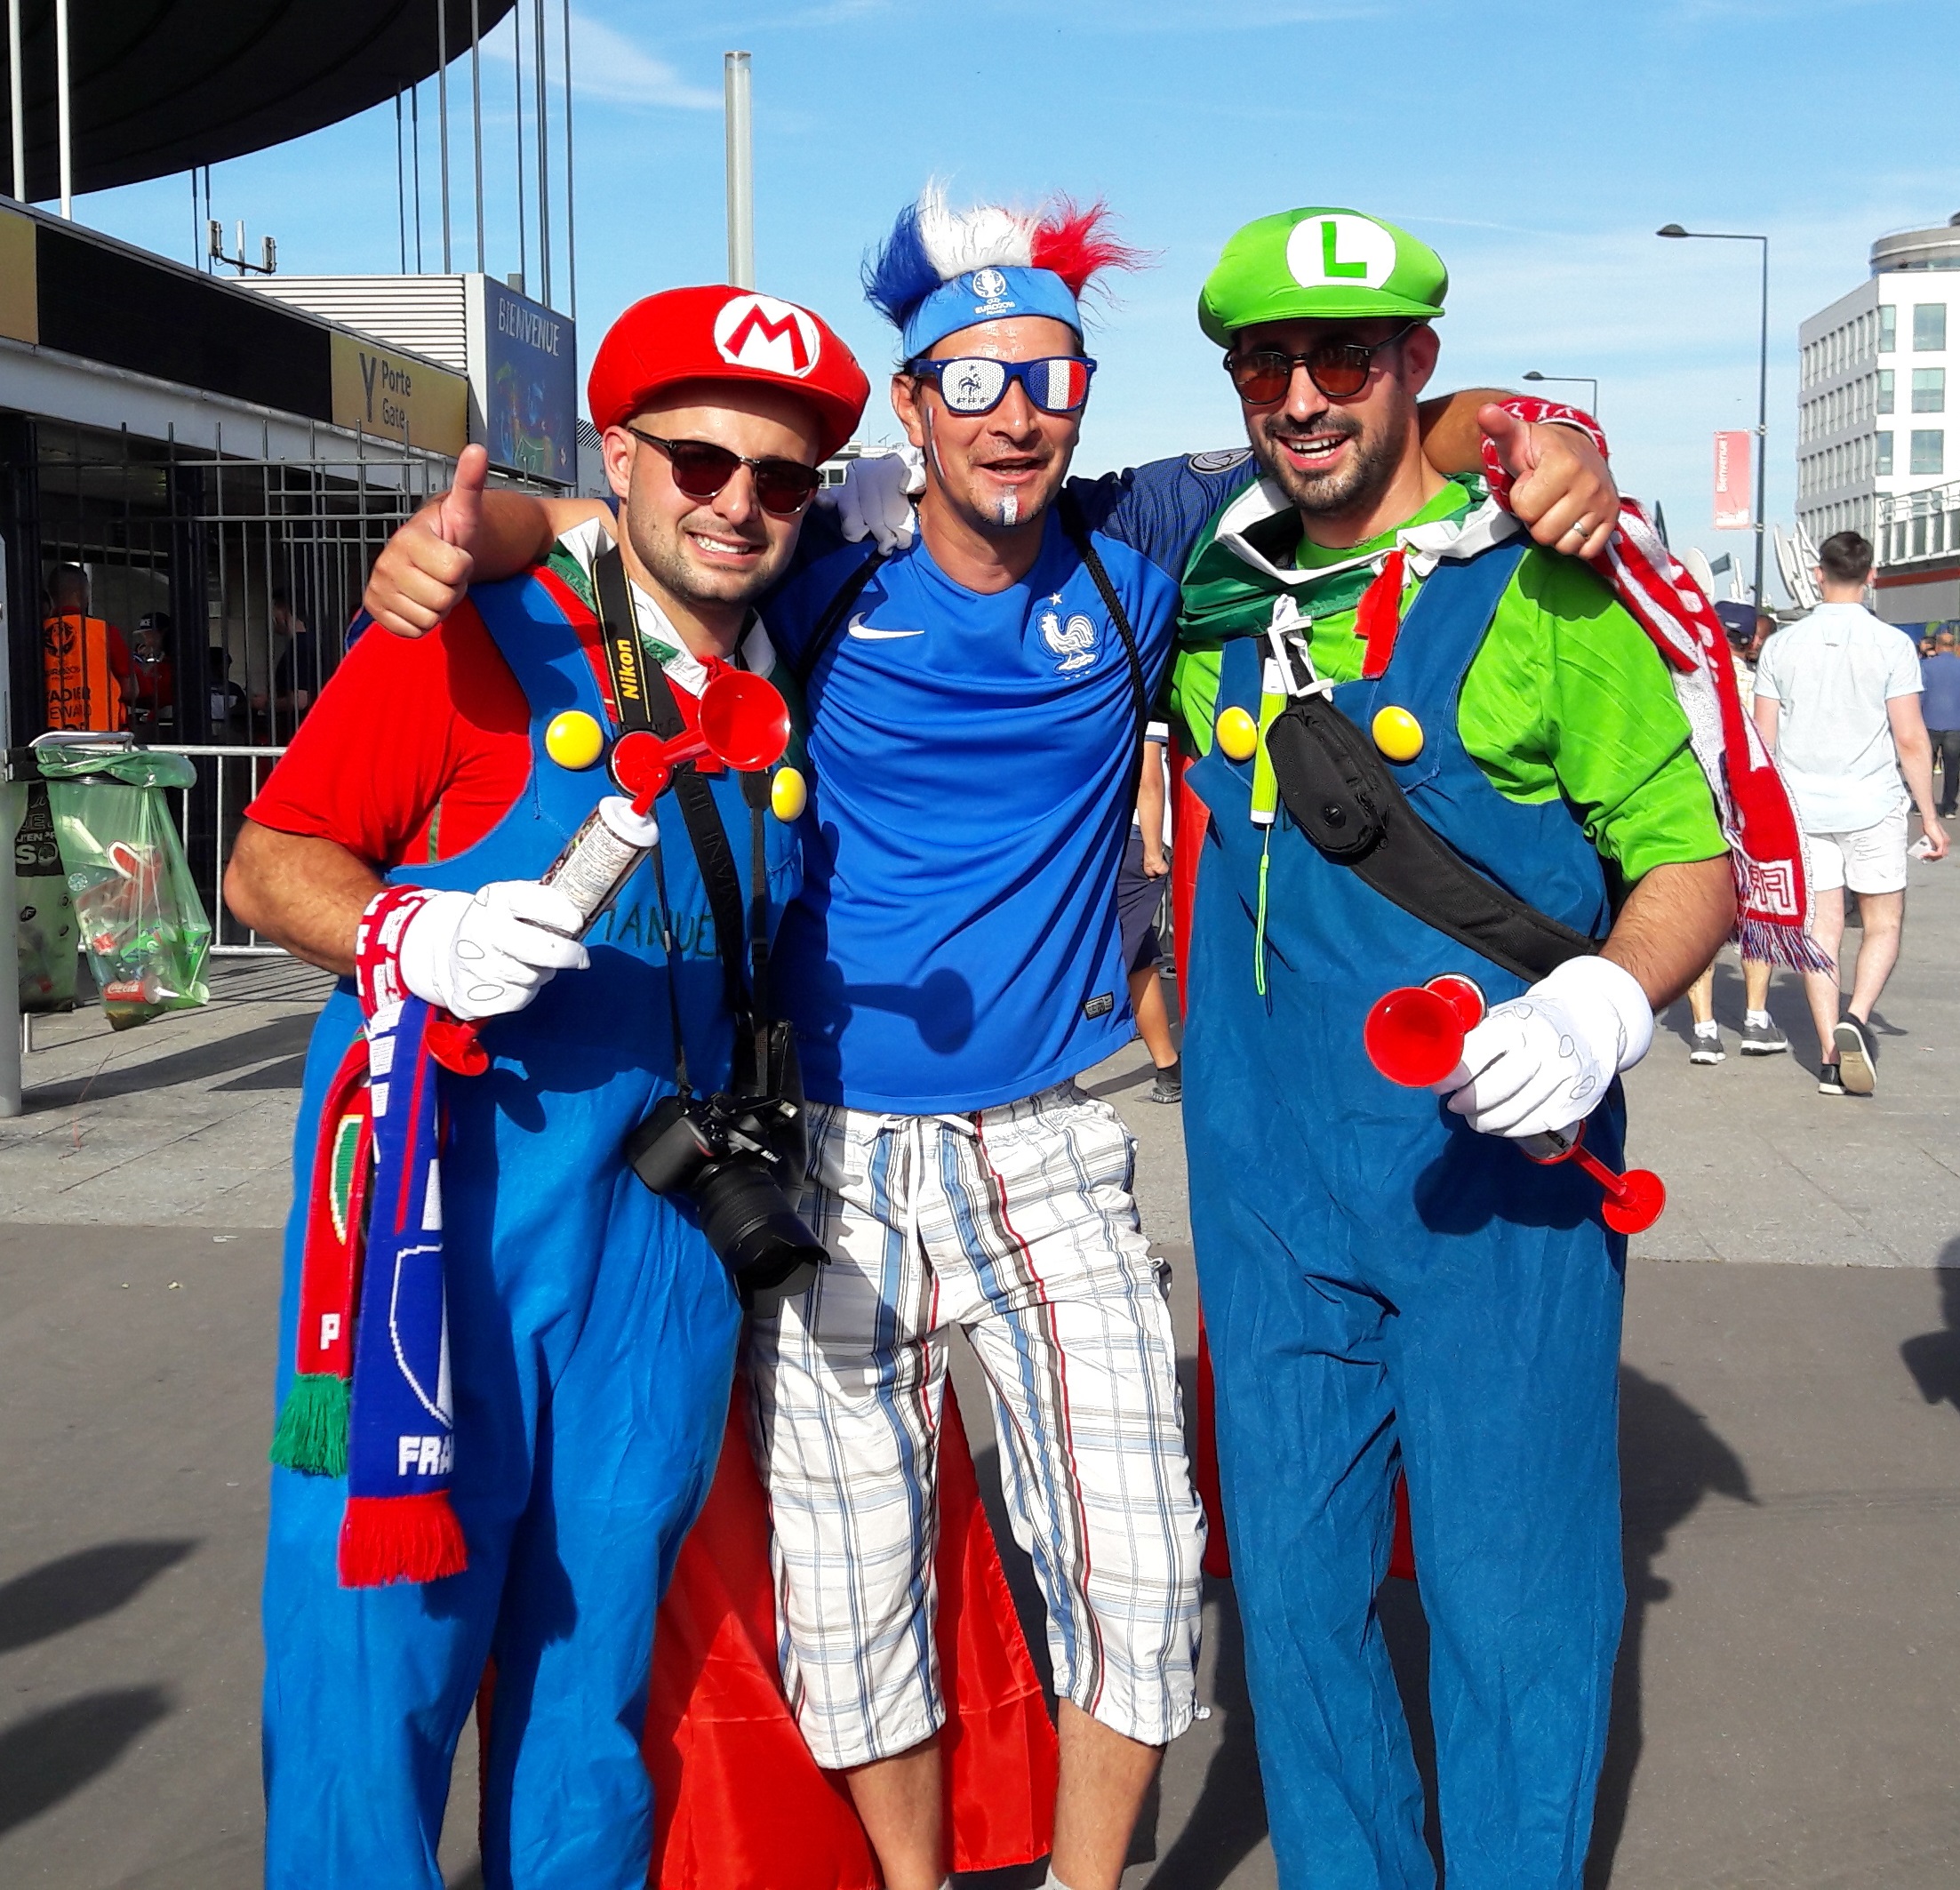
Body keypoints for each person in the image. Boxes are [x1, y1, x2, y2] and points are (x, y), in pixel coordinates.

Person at [359, 187, 1624, 1890]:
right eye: (973, 380)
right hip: (824, 1153)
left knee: (1141, 1568)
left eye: (1050, 376)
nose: (1013, 412)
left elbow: (1392, 424)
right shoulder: (827, 567)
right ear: (912, 406)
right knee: (853, 1580)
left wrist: (1540, 436)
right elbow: (608, 519)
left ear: (1084, 395)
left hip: (1049, 1136)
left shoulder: (1139, 544)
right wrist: (465, 536)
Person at [223, 284, 868, 1889]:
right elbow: (266, 862)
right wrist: (408, 926)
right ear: (622, 456)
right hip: (438, 1244)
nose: (735, 504)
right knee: (376, 1674)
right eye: (699, 461)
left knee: (592, 1701)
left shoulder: (786, 689)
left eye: (779, 480)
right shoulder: (473, 632)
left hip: (660, 1255)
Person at [1167, 205, 1739, 1888]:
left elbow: (1688, 863)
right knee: (1294, 1602)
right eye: (1269, 361)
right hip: (1270, 1196)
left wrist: (1602, 1005)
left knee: (1511, 1600)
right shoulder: (1216, 587)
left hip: (1503, 1197)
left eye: (1346, 355)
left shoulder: (1547, 598)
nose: (1307, 394)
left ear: (1415, 365)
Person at [1752, 531, 1948, 1095]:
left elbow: (1763, 741)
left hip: (1802, 810)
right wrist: (1930, 818)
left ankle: (1831, 1059)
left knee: (1822, 929)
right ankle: (1857, 1015)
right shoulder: (1890, 645)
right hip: (1874, 805)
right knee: (1883, 924)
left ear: (1818, 574)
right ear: (1872, 576)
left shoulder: (1782, 647)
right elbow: (1910, 739)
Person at [1118, 724, 1180, 1101]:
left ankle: (1168, 1068)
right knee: (1132, 958)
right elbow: (1149, 779)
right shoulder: (1139, 695)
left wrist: (1153, 850)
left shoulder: (1123, 696)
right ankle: (1168, 1068)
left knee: (1127, 956)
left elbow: (1148, 779)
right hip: (1133, 840)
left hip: (1126, 839)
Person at [42, 563, 132, 732]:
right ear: (81, 593)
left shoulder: (35, 635)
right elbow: (130, 689)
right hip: (102, 741)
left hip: (49, 741)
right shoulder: (104, 631)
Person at [1920, 625, 1960, 817]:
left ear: (1936, 645)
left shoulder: (1926, 666)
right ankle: (1949, 806)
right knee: (1952, 767)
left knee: (1926, 766)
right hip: (1956, 725)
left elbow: (1920, 695)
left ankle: (1923, 805)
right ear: (1954, 646)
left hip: (1929, 722)